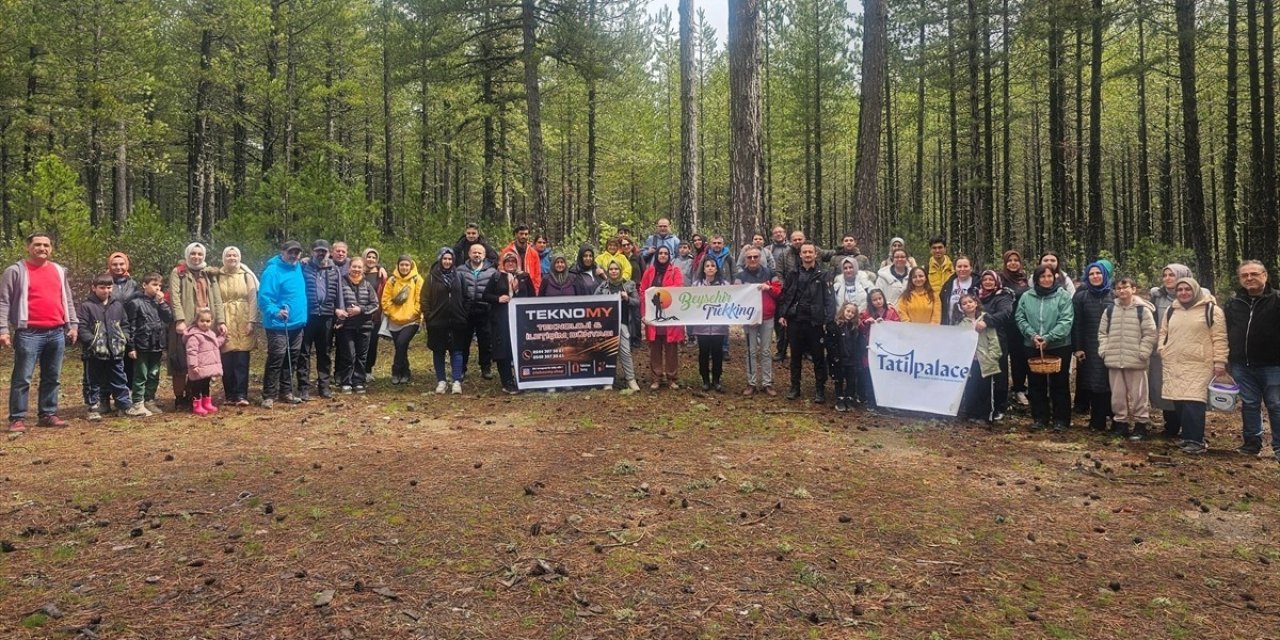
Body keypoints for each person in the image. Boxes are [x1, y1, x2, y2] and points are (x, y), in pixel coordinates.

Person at [1158, 277, 1227, 455]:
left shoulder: (1212, 310)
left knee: (1194, 402)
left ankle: (1196, 440)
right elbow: (1163, 332)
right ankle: (1187, 437)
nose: (1183, 293)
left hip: (1199, 363)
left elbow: (1219, 338)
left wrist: (1220, 361)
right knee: (1179, 400)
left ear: (1195, 290)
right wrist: (1162, 349)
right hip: (1174, 362)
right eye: (1180, 290)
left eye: (1187, 289)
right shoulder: (1171, 310)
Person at [1225, 260, 1280, 460]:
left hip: (1273, 365)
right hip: (1242, 364)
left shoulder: (1276, 299)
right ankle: (1251, 443)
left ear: (1265, 275)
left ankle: (1279, 447)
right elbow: (1227, 331)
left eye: (1254, 274)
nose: (1249, 278)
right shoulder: (1233, 303)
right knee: (1249, 404)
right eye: (1244, 275)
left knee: (1275, 404)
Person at [1016, 265, 1075, 432]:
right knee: (1036, 383)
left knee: (1060, 383)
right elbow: (1020, 317)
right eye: (1042, 277)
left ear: (1055, 277)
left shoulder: (1063, 296)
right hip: (1032, 344)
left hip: (1059, 345)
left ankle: (1061, 420)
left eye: (1049, 276)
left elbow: (1066, 320)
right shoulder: (1027, 296)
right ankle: (1040, 418)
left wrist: (1049, 337)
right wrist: (1032, 335)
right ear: (1036, 279)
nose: (1046, 280)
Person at [1097, 275, 1157, 440]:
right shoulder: (1109, 310)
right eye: (1118, 288)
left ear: (1133, 289)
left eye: (1125, 287)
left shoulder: (1142, 310)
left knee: (1139, 395)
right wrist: (1104, 350)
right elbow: (1102, 333)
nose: (1122, 291)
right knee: (1117, 395)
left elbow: (1150, 333)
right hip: (1114, 359)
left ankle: (1141, 424)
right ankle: (1120, 423)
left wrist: (1143, 352)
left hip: (1136, 360)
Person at [169, 243, 226, 411]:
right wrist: (179, 319)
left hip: (205, 323)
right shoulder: (178, 272)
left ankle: (193, 395)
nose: (196, 257)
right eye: (193, 253)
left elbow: (217, 299)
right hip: (186, 323)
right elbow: (175, 297)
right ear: (187, 255)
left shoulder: (209, 274)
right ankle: (179, 397)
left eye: (199, 254)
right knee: (180, 363)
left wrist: (220, 321)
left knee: (201, 363)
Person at [78, 273, 140, 420]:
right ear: (94, 288)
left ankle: (123, 406)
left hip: (115, 351)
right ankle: (94, 407)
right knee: (94, 380)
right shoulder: (87, 306)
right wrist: (93, 342)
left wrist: (124, 338)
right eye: (102, 287)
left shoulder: (117, 305)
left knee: (119, 378)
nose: (106, 291)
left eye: (109, 287)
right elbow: (82, 327)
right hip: (94, 353)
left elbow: (125, 324)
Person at [778, 242, 835, 402]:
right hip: (795, 320)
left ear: (815, 254)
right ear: (800, 255)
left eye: (811, 252)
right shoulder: (792, 273)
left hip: (815, 322)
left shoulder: (823, 274)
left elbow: (830, 299)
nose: (808, 255)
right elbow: (786, 295)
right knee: (795, 356)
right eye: (805, 252)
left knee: (818, 357)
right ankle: (795, 387)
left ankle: (820, 389)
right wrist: (783, 314)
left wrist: (828, 320)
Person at [257, 240, 308, 408]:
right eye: (290, 252)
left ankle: (286, 392)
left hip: (298, 323)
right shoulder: (272, 271)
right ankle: (269, 395)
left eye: (297, 252)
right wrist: (276, 311)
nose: (293, 255)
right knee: (276, 357)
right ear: (282, 252)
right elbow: (264, 298)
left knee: (291, 359)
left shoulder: (298, 266)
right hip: (278, 324)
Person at [1149, 263, 1196, 438]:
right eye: (1165, 275)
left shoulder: (1194, 296)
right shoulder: (1157, 297)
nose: (1168, 278)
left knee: (1186, 389)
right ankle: (1171, 426)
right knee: (1164, 388)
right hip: (1163, 351)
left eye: (1172, 275)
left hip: (1187, 351)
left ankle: (1189, 427)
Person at [1073, 261, 1115, 432]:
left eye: (1098, 273)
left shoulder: (1114, 296)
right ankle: (1097, 421)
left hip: (1112, 345)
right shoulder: (1081, 297)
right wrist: (1078, 347)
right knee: (1094, 382)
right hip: (1089, 345)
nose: (1095, 276)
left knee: (1111, 382)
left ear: (1105, 275)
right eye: (1091, 274)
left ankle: (1116, 418)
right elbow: (1076, 324)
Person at [484, 251, 534, 393]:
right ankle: (506, 381)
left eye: (513, 261)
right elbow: (485, 295)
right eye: (508, 261)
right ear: (503, 263)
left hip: (521, 320)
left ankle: (521, 379)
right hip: (501, 319)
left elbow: (532, 296)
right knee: (503, 350)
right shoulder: (497, 276)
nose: (511, 263)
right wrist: (498, 298)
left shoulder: (524, 277)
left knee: (520, 349)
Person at [299, 240, 342, 400]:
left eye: (323, 251)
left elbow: (339, 293)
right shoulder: (304, 267)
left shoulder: (334, 269)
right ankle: (303, 387)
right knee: (304, 352)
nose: (321, 253)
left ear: (328, 252)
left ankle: (324, 386)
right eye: (318, 251)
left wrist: (340, 312)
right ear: (312, 251)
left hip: (327, 316)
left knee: (324, 352)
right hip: (308, 316)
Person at [422, 247, 469, 394]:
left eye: (450, 259)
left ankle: (456, 381)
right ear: (440, 259)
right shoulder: (431, 277)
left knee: (457, 351)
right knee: (439, 351)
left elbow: (467, 297)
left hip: (457, 321)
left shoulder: (459, 276)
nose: (447, 261)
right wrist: (429, 316)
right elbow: (424, 299)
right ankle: (441, 380)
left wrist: (464, 313)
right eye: (444, 259)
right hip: (437, 322)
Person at [735, 245, 781, 396]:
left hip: (767, 316)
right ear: (745, 259)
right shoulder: (740, 276)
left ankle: (767, 383)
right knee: (751, 351)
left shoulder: (770, 273)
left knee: (766, 351)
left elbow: (779, 291)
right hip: (749, 319)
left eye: (755, 257)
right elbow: (735, 296)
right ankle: (751, 382)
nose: (753, 259)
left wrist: (769, 288)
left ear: (760, 257)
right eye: (749, 257)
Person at [216, 246, 259, 407]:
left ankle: (241, 394)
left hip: (243, 317)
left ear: (239, 258)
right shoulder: (217, 275)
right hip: (225, 318)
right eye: (228, 255)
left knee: (241, 359)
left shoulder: (247, 275)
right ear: (223, 258)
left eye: (235, 255)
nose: (232, 258)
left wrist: (251, 321)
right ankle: (229, 394)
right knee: (227, 359)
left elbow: (253, 299)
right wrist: (219, 321)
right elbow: (215, 299)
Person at [125, 272, 172, 415]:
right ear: (144, 285)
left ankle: (149, 400)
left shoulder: (159, 303)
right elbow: (130, 326)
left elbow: (169, 317)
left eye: (159, 285)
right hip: (142, 345)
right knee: (141, 375)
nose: (157, 288)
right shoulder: (135, 303)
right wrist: (131, 346)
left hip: (157, 344)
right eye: (154, 285)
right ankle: (137, 402)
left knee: (154, 374)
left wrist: (162, 303)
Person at [640, 246, 685, 389]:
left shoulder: (675, 271)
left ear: (669, 255)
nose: (663, 255)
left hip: (670, 316)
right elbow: (643, 292)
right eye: (660, 253)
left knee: (671, 348)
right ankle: (656, 378)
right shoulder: (649, 271)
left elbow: (678, 289)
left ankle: (672, 377)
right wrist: (644, 313)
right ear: (657, 255)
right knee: (655, 348)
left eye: (666, 253)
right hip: (653, 316)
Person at [956, 294, 1003, 426]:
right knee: (971, 388)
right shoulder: (961, 324)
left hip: (986, 362)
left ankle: (985, 415)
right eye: (964, 303)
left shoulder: (985, 320)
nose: (968, 305)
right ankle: (972, 413)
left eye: (970, 301)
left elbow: (993, 340)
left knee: (986, 389)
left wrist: (992, 356)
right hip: (970, 362)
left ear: (976, 303)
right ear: (961, 307)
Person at [977, 270, 1016, 420]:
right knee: (980, 373)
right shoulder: (977, 296)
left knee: (999, 373)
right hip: (979, 340)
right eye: (985, 279)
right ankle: (983, 405)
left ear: (996, 281)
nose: (988, 282)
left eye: (990, 279)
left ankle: (1000, 406)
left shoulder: (1002, 296)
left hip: (997, 339)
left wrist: (987, 322)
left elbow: (1006, 313)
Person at [337, 256, 380, 393]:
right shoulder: (341, 283)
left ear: (363, 270)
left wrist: (360, 310)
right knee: (348, 354)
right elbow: (336, 301)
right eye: (354, 266)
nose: (356, 269)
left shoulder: (367, 285)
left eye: (359, 267)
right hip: (347, 326)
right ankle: (346, 381)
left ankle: (358, 381)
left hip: (364, 326)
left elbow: (375, 304)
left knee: (362, 355)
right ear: (349, 267)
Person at [595, 261, 640, 391]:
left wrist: (627, 299)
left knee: (625, 352)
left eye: (616, 269)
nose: (614, 271)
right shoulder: (602, 286)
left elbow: (637, 302)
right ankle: (608, 380)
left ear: (620, 270)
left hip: (623, 323)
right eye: (611, 269)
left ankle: (631, 379)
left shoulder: (629, 285)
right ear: (608, 271)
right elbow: (594, 302)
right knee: (608, 352)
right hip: (607, 325)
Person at [381, 255, 424, 385]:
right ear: (398, 266)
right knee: (401, 347)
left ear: (411, 266)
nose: (404, 267)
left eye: (407, 265)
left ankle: (395, 370)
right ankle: (405, 372)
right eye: (402, 265)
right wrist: (391, 312)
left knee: (400, 343)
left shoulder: (417, 279)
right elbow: (385, 299)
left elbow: (420, 299)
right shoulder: (392, 280)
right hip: (394, 320)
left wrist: (415, 312)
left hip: (411, 320)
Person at [690, 257, 729, 392]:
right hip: (702, 327)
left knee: (718, 353)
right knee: (703, 353)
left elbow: (730, 302)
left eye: (713, 266)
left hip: (719, 327)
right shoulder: (696, 285)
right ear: (704, 269)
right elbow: (691, 304)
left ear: (717, 268)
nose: (710, 268)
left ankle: (717, 380)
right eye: (707, 266)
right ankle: (705, 380)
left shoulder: (725, 284)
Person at [458, 244, 496, 380]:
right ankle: (462, 368)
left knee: (485, 341)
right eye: (474, 252)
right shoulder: (460, 270)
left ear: (484, 255)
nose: (477, 255)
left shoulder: (492, 272)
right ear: (469, 254)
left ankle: (486, 368)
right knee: (464, 341)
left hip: (485, 311)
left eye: (480, 253)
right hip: (466, 311)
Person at [858, 289, 900, 409]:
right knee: (870, 375)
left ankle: (887, 402)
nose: (878, 302)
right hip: (871, 350)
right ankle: (871, 401)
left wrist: (886, 322)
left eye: (880, 298)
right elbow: (859, 326)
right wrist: (866, 322)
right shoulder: (866, 313)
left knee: (887, 376)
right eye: (874, 300)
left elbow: (899, 327)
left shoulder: (891, 312)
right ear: (870, 302)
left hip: (888, 350)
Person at [1000, 250, 1031, 407]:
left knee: (1019, 359)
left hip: (1020, 325)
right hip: (1003, 325)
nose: (1013, 263)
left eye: (1016, 260)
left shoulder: (1024, 280)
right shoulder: (1000, 279)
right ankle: (1001, 392)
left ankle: (1019, 389)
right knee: (1002, 360)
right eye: (1009, 260)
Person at [106, 252, 138, 397]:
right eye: (115, 264)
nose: (118, 267)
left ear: (126, 265)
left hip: (129, 326)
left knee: (129, 361)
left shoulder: (133, 284)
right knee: (110, 362)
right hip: (109, 326)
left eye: (121, 264)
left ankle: (127, 395)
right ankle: (108, 395)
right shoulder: (104, 282)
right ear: (110, 265)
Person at [184, 308, 226, 416]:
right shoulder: (194, 336)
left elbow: (215, 344)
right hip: (198, 367)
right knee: (196, 387)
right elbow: (191, 352)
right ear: (197, 321)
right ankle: (197, 405)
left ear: (211, 322)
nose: (205, 324)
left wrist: (222, 337)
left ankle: (206, 403)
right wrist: (193, 365)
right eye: (202, 321)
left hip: (207, 368)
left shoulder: (211, 333)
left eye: (208, 321)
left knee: (206, 385)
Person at [360, 248, 389, 380]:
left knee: (372, 343)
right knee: (358, 344)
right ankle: (357, 370)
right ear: (364, 258)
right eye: (368, 257)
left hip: (375, 314)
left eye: (374, 257)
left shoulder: (381, 275)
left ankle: (368, 370)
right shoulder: (358, 271)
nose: (371, 259)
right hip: (359, 313)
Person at [830, 302, 862, 412]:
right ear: (843, 310)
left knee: (851, 380)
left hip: (852, 359)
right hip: (839, 359)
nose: (850, 314)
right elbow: (831, 343)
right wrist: (834, 356)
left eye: (853, 312)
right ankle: (839, 398)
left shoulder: (855, 327)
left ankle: (849, 398)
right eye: (848, 311)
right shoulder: (836, 325)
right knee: (839, 379)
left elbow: (859, 343)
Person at [500, 225, 543, 293]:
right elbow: (501, 269)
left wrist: (536, 290)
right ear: (516, 234)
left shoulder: (533, 253)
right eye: (521, 234)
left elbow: (537, 274)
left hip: (529, 288)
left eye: (526, 234)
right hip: (510, 287)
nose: (524, 236)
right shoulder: (507, 251)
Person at [939, 256, 979, 325]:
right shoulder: (948, 285)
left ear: (971, 268)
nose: (962, 269)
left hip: (973, 326)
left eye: (965, 266)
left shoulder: (978, 284)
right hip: (951, 326)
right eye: (959, 266)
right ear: (955, 268)